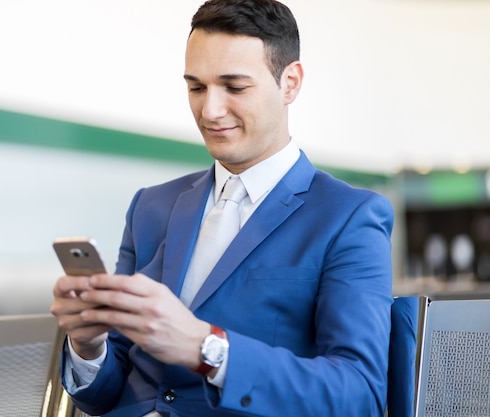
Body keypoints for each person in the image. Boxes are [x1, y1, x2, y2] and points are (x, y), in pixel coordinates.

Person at [51, 0, 394, 416]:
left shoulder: (349, 217)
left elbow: (359, 394)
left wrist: (206, 348)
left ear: (290, 83)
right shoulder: (150, 207)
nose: (209, 111)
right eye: (196, 87)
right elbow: (108, 391)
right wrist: (89, 346)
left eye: (234, 87)